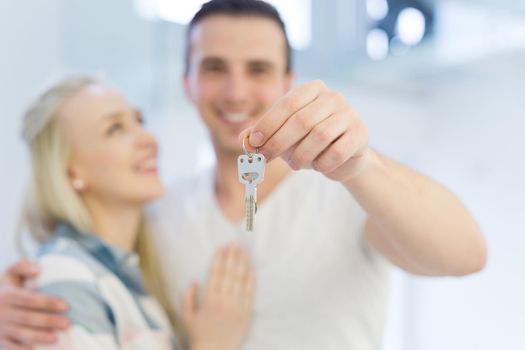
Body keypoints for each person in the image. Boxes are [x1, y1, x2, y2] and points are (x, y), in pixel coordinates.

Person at [0, 1, 487, 349]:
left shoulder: (346, 191)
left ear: (285, 83)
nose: (235, 91)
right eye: (214, 68)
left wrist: (362, 163)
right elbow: (92, 278)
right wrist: (17, 298)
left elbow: (466, 254)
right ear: (187, 82)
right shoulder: (154, 215)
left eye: (258, 69)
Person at [0, 76, 255, 350]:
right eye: (115, 129)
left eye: (139, 121)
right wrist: (212, 345)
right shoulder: (63, 276)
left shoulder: (130, 282)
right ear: (70, 170)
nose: (147, 139)